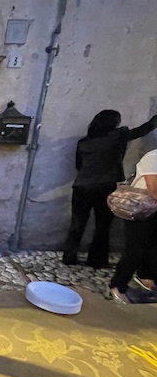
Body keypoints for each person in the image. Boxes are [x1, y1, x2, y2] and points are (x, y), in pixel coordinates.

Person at [62, 110, 157, 268]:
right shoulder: (118, 136)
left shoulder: (84, 142)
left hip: (82, 186)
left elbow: (79, 165)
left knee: (77, 224)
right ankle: (97, 260)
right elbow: (143, 129)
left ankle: (69, 257)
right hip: (105, 186)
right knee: (103, 226)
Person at [109, 148, 157, 303]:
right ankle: (117, 286)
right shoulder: (153, 157)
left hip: (154, 211)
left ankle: (146, 279)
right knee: (135, 250)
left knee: (152, 248)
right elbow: (154, 190)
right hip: (141, 209)